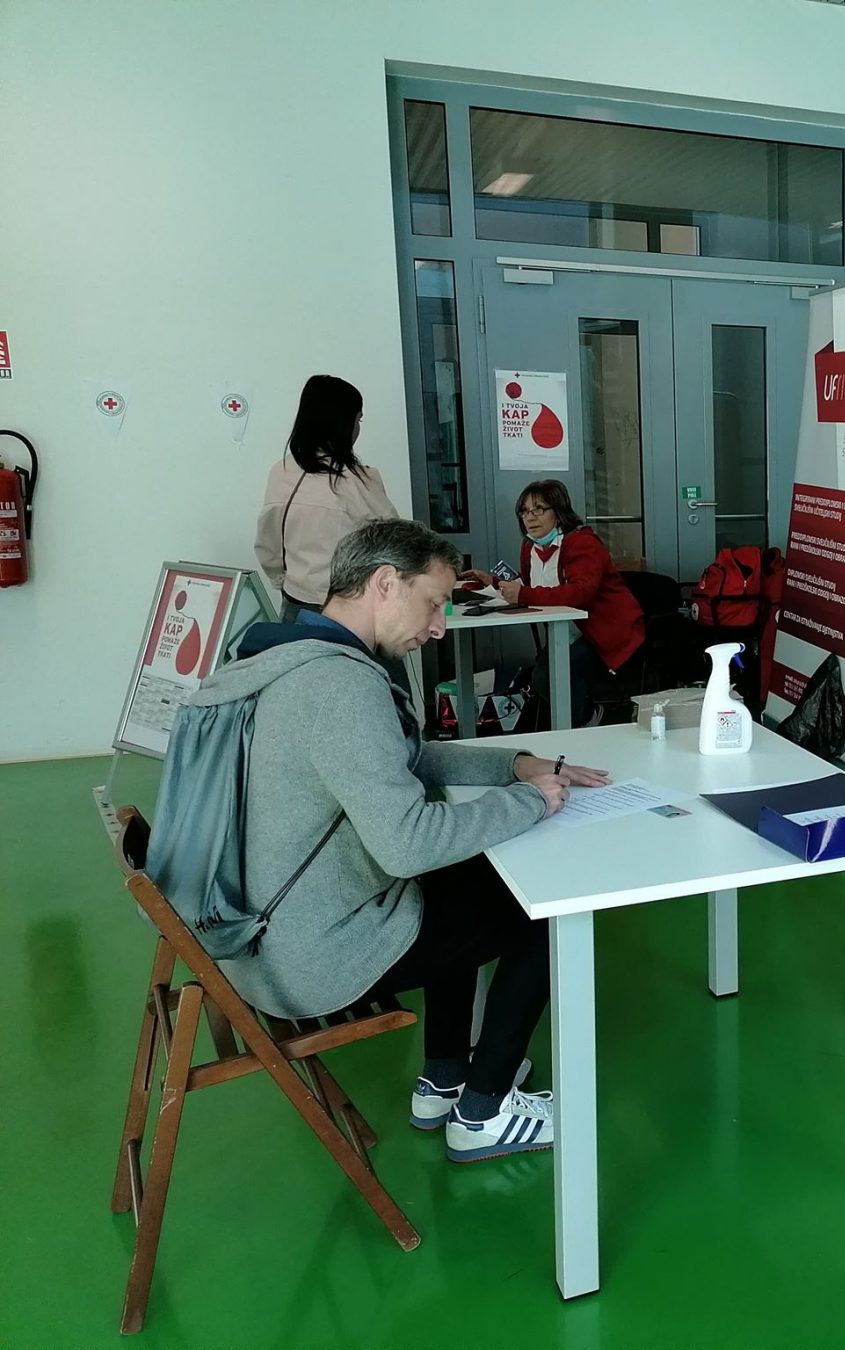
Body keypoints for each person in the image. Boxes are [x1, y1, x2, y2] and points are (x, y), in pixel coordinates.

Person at [182, 519, 609, 1162]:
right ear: (385, 584)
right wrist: (530, 800)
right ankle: (484, 1112)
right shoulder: (341, 687)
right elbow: (408, 846)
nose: (438, 626)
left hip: (256, 939)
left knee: (460, 880)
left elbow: (399, 757)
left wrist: (514, 764)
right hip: (311, 960)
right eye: (434, 602)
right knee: (541, 909)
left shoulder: (283, 655)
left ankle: (446, 1078)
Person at [463, 479, 646, 729]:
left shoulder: (582, 542)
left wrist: (524, 595)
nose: (530, 517)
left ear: (558, 512)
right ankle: (585, 719)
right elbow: (530, 584)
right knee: (544, 675)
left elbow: (580, 592)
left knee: (549, 675)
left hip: (605, 634)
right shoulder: (530, 546)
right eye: (524, 511)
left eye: (539, 509)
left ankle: (585, 724)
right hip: (568, 632)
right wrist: (494, 582)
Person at [255, 375, 398, 624]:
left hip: (296, 606)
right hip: (351, 610)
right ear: (342, 424)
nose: (358, 428)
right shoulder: (361, 481)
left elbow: (268, 545)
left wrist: (284, 581)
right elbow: (395, 543)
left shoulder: (282, 471)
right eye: (358, 419)